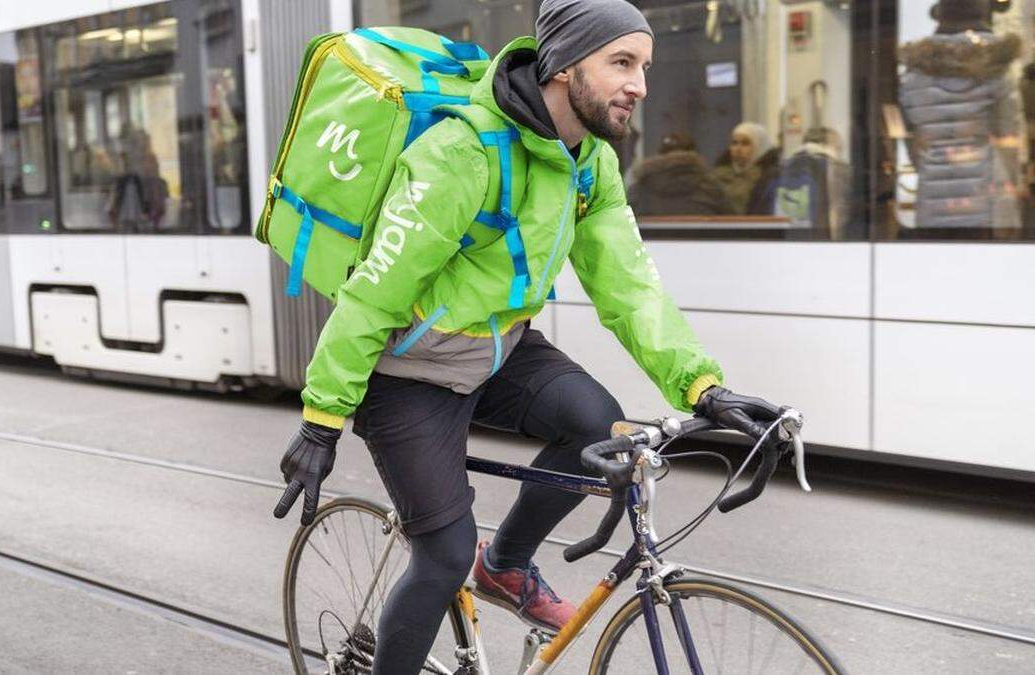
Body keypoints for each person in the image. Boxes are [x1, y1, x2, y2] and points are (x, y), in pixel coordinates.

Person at [273, 2, 787, 672]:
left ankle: (507, 563)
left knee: (597, 424)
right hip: (406, 373)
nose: (640, 85)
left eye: (644, 66)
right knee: (443, 555)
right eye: (622, 63)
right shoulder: (462, 154)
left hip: (496, 349)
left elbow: (629, 285)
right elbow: (373, 293)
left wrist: (703, 386)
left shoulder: (588, 163)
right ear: (565, 63)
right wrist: (322, 418)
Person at [898, 0, 1023, 229]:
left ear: (940, 18)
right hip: (986, 202)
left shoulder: (913, 75)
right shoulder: (998, 71)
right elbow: (1009, 141)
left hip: (933, 201)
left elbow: (914, 144)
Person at [628, 132, 734, 216]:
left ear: (658, 155)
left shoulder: (638, 190)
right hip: (699, 242)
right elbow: (732, 224)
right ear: (695, 155)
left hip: (649, 242)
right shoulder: (711, 188)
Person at [712, 121, 780, 215]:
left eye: (745, 143)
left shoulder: (769, 178)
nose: (738, 149)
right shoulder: (716, 176)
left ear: (759, 147)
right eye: (734, 143)